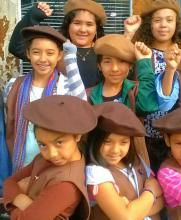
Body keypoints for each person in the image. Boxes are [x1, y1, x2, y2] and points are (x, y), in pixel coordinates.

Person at [4, 25, 86, 172]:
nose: (43, 59)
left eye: (50, 53)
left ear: (59, 55)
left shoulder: (66, 86)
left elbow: (82, 107)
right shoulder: (13, 86)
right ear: (28, 53)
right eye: (36, 52)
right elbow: (7, 124)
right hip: (18, 164)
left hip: (55, 165)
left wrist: (71, 58)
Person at [3, 95, 97, 220]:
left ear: (77, 136)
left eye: (59, 142)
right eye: (42, 144)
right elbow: (9, 182)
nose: (51, 153)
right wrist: (22, 199)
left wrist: (14, 198)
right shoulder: (42, 159)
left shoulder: (67, 184)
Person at [124, 0, 181, 172]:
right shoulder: (141, 51)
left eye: (169, 20)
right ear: (149, 24)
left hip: (175, 134)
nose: (163, 25)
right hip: (142, 133)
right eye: (157, 20)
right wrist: (128, 35)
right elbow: (119, 63)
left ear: (176, 24)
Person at [85, 102, 164, 220]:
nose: (115, 150)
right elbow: (125, 217)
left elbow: (162, 200)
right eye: (107, 141)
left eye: (123, 142)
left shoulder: (136, 161)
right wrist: (150, 192)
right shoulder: (96, 172)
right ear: (96, 140)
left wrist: (134, 209)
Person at [9, 0, 106, 88]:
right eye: (77, 23)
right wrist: (33, 16)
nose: (83, 30)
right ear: (68, 26)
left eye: (89, 24)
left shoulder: (104, 52)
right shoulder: (55, 50)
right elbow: (16, 47)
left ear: (96, 29)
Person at [87, 34, 158, 117]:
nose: (115, 68)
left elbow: (148, 107)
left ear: (130, 66)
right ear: (99, 66)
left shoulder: (136, 90)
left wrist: (144, 61)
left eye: (121, 61)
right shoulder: (88, 95)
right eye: (107, 61)